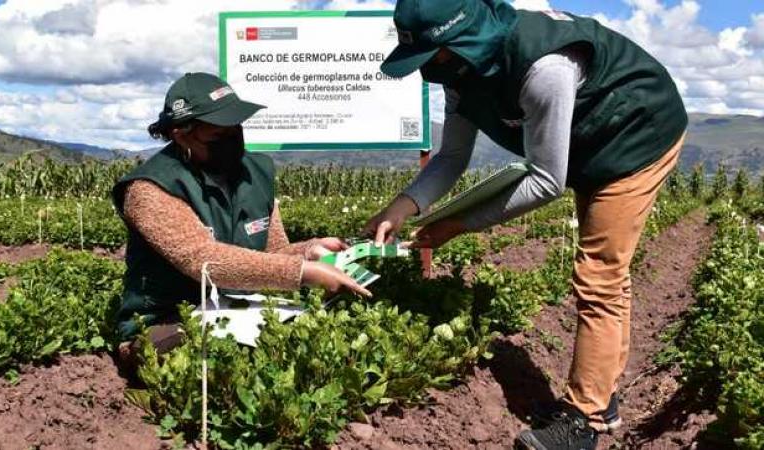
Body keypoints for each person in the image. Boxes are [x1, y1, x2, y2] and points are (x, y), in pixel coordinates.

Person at [363, 1, 687, 449]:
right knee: (607, 275)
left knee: (599, 274)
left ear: (460, 40)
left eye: (432, 55)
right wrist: (401, 207)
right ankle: (604, 394)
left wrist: (459, 224)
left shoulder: (544, 67)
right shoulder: (459, 71)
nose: (429, 69)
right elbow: (453, 156)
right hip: (587, 143)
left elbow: (547, 181)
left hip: (636, 135)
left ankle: (585, 422)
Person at [114, 72, 370, 366]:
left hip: (237, 308)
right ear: (181, 133)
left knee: (314, 345)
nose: (233, 136)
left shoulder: (255, 172)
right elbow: (202, 260)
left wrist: (307, 251)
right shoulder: (150, 187)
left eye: (236, 126)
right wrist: (303, 272)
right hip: (166, 322)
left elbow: (272, 254)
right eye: (218, 134)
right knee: (221, 356)